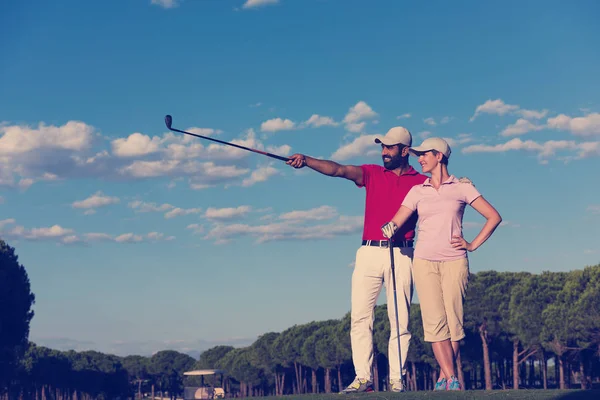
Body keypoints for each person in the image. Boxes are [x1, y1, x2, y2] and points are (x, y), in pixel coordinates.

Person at [286, 127, 427, 393]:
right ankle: (363, 378)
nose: (384, 152)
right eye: (382, 147)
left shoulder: (421, 181)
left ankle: (397, 380)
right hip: (368, 253)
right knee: (361, 317)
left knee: (400, 319)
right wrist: (307, 160)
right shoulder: (372, 173)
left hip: (403, 252)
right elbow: (338, 169)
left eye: (389, 147)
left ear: (405, 151)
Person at [380, 137, 502, 391]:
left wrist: (472, 244)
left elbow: (493, 217)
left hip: (455, 262)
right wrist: (387, 229)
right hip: (424, 262)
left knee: (453, 323)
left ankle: (444, 377)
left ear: (439, 156)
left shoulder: (462, 187)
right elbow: (399, 218)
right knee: (434, 323)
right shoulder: (417, 191)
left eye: (424, 154)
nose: (420, 158)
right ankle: (451, 378)